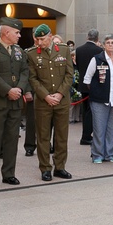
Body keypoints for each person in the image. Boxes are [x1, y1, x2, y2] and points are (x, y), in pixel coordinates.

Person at [0, 17, 31, 187]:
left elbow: (25, 71)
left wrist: (20, 89)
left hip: (15, 103)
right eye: (17, 32)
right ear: (6, 32)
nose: (19, 35)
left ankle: (9, 173)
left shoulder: (19, 51)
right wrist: (8, 90)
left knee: (11, 139)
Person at [25, 24, 73, 181]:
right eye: (37, 40)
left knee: (61, 136)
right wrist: (46, 96)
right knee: (43, 136)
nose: (40, 43)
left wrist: (59, 94)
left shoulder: (64, 50)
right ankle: (45, 168)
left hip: (62, 101)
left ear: (50, 36)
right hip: (43, 102)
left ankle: (60, 167)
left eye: (42, 39)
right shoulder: (32, 54)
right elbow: (33, 79)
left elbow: (69, 75)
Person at [83, 33, 113, 163]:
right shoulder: (96, 59)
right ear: (103, 45)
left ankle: (110, 154)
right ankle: (97, 154)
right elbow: (87, 80)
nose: (110, 45)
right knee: (99, 128)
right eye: (108, 43)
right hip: (99, 101)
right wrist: (98, 91)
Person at [74, 30, 102, 146]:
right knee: (91, 112)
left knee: (86, 111)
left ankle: (86, 134)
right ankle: (86, 136)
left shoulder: (79, 49)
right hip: (93, 85)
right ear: (97, 38)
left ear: (87, 36)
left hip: (83, 84)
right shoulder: (99, 50)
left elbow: (78, 66)